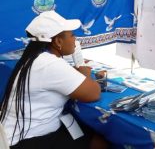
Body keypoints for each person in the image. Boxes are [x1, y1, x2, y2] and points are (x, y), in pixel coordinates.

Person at [0, 11, 107, 148]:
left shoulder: (36, 58)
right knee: (99, 141)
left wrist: (77, 73)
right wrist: (83, 73)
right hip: (27, 140)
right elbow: (94, 93)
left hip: (13, 134)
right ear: (58, 41)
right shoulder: (50, 64)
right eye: (72, 35)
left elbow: (53, 78)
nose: (75, 39)